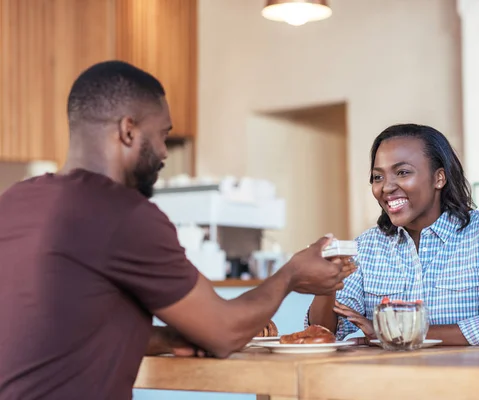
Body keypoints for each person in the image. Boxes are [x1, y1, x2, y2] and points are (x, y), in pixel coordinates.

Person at [0, 61, 354, 400]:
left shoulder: (15, 200)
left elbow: (63, 327)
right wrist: (290, 274)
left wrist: (165, 337)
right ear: (128, 131)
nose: (165, 152)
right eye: (162, 135)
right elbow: (224, 332)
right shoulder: (125, 214)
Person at [307, 123, 479, 346]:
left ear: (439, 178)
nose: (386, 187)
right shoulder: (366, 246)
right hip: (385, 380)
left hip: (463, 379)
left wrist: (394, 332)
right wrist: (326, 284)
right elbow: (323, 334)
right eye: (377, 177)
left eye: (402, 172)